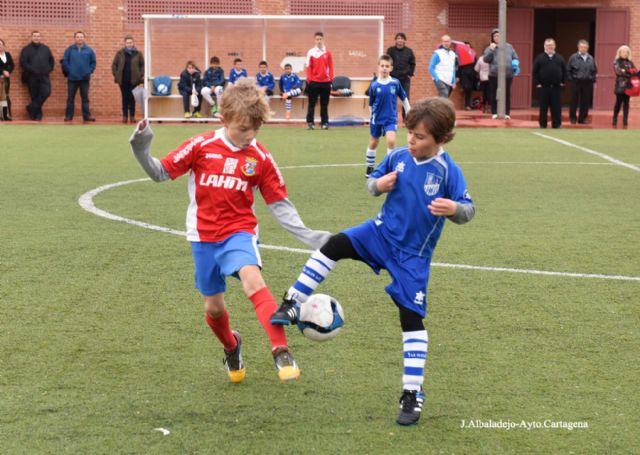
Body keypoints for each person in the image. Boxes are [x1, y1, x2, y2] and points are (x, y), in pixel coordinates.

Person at [271, 97, 475, 426]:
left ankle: (412, 393)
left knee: (410, 318)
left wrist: (454, 210)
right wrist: (378, 185)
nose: (411, 141)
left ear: (442, 139)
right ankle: (292, 302)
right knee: (334, 244)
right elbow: (371, 184)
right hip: (379, 234)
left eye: (420, 137)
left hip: (412, 257)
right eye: (410, 133)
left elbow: (468, 210)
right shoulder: (397, 156)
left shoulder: (449, 171)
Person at [129, 78, 330, 383]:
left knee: (253, 281)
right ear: (223, 119)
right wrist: (141, 148)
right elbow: (160, 172)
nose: (250, 136)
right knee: (213, 308)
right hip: (203, 237)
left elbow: (280, 204)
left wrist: (309, 235)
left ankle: (281, 350)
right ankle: (231, 346)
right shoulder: (201, 146)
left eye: (255, 130)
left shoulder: (259, 157)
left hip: (239, 232)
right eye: (243, 129)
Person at [364, 54, 411, 176]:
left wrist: (409, 112)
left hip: (390, 118)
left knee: (391, 141)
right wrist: (371, 117)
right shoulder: (374, 85)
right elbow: (370, 104)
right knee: (374, 142)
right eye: (382, 66)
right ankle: (369, 167)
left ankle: (390, 167)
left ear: (391, 68)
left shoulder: (395, 83)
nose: (384, 68)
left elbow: (404, 98)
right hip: (377, 119)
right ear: (378, 67)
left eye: (387, 66)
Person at [482, 29, 520, 119]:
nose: (497, 37)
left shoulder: (509, 46)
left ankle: (507, 113)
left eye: (499, 35)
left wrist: (515, 65)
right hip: (494, 74)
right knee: (494, 93)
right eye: (495, 36)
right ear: (492, 38)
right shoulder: (490, 48)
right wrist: (491, 49)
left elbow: (515, 57)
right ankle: (494, 112)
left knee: (507, 94)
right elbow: (485, 59)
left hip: (508, 74)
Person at [62, 31, 96, 122]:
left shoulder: (89, 50)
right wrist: (70, 71)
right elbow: (65, 61)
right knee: (70, 98)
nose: (79, 38)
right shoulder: (69, 49)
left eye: (81, 37)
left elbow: (93, 62)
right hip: (72, 78)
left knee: (85, 98)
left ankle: (86, 116)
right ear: (75, 38)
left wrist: (89, 71)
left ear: (84, 38)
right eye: (78, 37)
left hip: (84, 79)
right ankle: (69, 116)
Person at [20, 31, 54, 121]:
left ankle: (31, 107)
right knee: (34, 96)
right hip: (31, 77)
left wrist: (49, 69)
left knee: (47, 92)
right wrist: (33, 70)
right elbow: (23, 62)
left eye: (38, 36)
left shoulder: (45, 48)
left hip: (44, 76)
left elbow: (51, 60)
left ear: (40, 37)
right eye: (34, 36)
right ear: (31, 37)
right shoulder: (26, 49)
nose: (36, 37)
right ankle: (37, 116)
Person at [533, 38, 567, 129]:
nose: (549, 47)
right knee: (543, 107)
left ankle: (556, 124)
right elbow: (535, 72)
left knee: (556, 107)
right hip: (544, 87)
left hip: (556, 87)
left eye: (551, 45)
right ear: (544, 46)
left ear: (554, 46)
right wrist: (537, 84)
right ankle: (543, 124)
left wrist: (563, 82)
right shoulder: (539, 58)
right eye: (547, 45)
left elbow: (565, 71)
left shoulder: (560, 58)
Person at [111, 35, 145, 124]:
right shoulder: (120, 53)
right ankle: (125, 116)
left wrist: (140, 75)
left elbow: (142, 65)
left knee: (132, 98)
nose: (129, 44)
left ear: (133, 43)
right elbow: (114, 65)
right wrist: (116, 74)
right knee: (124, 98)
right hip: (123, 80)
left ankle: (132, 116)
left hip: (134, 80)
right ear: (125, 43)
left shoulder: (138, 53)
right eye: (127, 43)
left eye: (130, 42)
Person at [305, 32, 334, 130]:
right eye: (317, 39)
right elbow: (308, 67)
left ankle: (324, 123)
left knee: (324, 104)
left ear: (323, 39)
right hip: (314, 82)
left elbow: (331, 67)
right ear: (314, 40)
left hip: (326, 82)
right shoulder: (311, 52)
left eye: (320, 39)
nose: (319, 41)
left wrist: (330, 79)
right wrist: (309, 80)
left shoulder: (328, 53)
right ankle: (310, 122)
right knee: (312, 104)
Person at [567, 40, 597, 124]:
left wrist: (592, 79)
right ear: (578, 47)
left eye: (585, 47)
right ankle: (573, 118)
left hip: (587, 82)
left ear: (587, 48)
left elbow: (594, 70)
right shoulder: (573, 57)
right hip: (576, 82)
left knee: (585, 101)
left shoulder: (591, 58)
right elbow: (568, 69)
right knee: (574, 100)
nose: (583, 49)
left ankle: (582, 118)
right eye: (581, 47)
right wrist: (571, 79)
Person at [387, 32, 416, 121]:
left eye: (402, 38)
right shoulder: (390, 50)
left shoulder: (409, 51)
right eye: (398, 38)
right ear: (395, 40)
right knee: (392, 98)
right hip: (393, 79)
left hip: (405, 79)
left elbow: (413, 63)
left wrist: (410, 74)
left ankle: (406, 118)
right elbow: (387, 62)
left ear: (404, 40)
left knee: (405, 98)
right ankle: (392, 117)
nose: (400, 40)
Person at [612, 45, 636, 128]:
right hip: (620, 85)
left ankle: (625, 122)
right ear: (620, 52)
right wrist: (629, 72)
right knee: (618, 103)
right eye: (623, 52)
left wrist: (629, 72)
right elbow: (618, 72)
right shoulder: (616, 61)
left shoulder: (630, 62)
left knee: (626, 104)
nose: (625, 53)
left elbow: (635, 72)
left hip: (629, 86)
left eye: (627, 52)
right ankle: (614, 118)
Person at [458, 42, 477, 110]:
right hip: (464, 75)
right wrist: (458, 76)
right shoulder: (461, 56)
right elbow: (459, 67)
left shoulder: (473, 55)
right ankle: (463, 88)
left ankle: (467, 105)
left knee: (470, 90)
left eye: (468, 47)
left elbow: (476, 65)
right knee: (467, 88)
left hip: (471, 75)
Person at [0, 39, 16, 121]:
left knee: (5, 96)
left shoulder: (8, 54)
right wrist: (2, 71)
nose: (0, 46)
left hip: (6, 80)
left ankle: (6, 115)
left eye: (1, 44)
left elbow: (12, 65)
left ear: (4, 46)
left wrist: (8, 72)